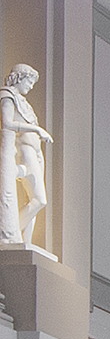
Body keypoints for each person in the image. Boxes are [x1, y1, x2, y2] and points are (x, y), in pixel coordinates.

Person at [0, 62, 50, 250]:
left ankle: (24, 242)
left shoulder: (24, 101)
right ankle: (12, 233)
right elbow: (7, 123)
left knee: (34, 200)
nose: (31, 86)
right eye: (29, 82)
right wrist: (37, 129)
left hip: (35, 152)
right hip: (24, 151)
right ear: (20, 77)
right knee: (39, 200)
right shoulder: (7, 95)